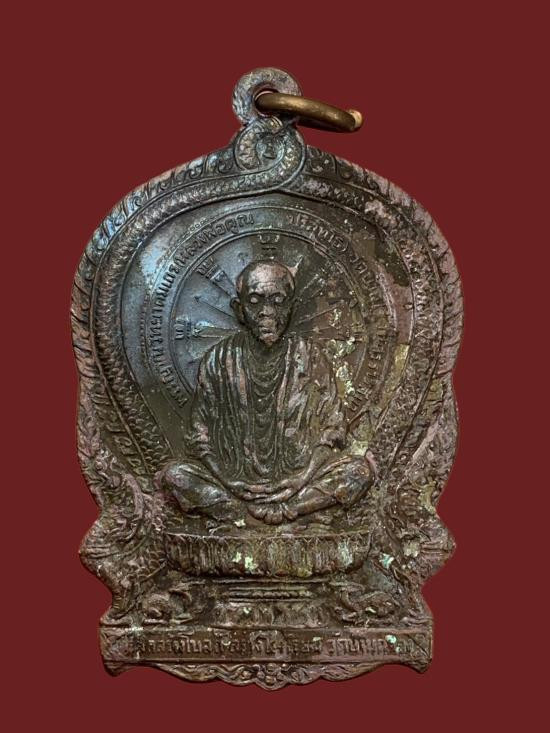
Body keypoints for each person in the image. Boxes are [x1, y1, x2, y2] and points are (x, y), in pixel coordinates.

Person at [157, 260, 373, 525]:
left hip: (301, 482)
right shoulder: (218, 359)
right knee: (177, 476)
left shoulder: (310, 357)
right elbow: (199, 436)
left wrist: (302, 478)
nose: (267, 312)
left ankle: (284, 511)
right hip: (233, 484)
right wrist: (229, 480)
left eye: (278, 301)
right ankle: (245, 512)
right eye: (255, 301)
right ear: (239, 310)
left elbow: (332, 431)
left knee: (357, 472)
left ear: (292, 308)